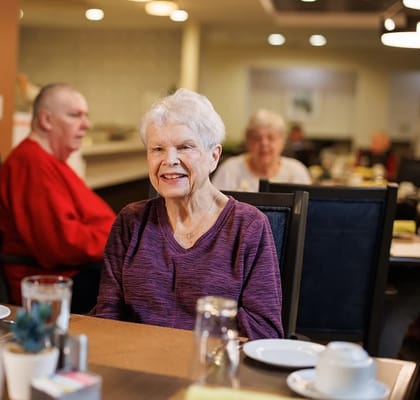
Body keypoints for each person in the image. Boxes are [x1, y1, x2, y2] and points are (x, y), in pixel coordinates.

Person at [93, 89, 283, 339]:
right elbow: (107, 316)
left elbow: (264, 332)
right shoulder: (131, 221)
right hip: (136, 365)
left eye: (184, 147)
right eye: (157, 149)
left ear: (214, 156)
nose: (169, 160)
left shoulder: (248, 226)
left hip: (211, 370)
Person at [0, 83, 116, 313]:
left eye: (86, 116)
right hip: (50, 286)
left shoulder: (49, 161)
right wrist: (118, 240)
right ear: (46, 120)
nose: (86, 125)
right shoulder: (31, 165)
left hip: (75, 271)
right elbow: (63, 244)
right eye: (75, 115)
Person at [211, 109, 311, 192]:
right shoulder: (230, 169)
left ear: (282, 141)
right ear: (248, 141)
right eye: (257, 138)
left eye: (271, 138)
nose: (264, 143)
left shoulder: (297, 172)